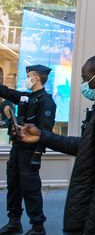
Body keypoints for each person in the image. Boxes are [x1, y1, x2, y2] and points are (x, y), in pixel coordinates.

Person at [16, 55, 95, 235]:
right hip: (91, 211)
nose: (83, 83)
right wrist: (42, 136)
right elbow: (85, 145)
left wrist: (92, 228)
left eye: (84, 78)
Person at [0, 64, 56, 235]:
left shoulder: (47, 102)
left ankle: (38, 226)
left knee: (30, 188)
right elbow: (10, 93)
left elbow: (45, 132)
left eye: (29, 75)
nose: (27, 79)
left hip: (30, 151)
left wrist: (37, 155)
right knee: (13, 185)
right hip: (17, 149)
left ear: (36, 78)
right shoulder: (28, 97)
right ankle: (14, 221)